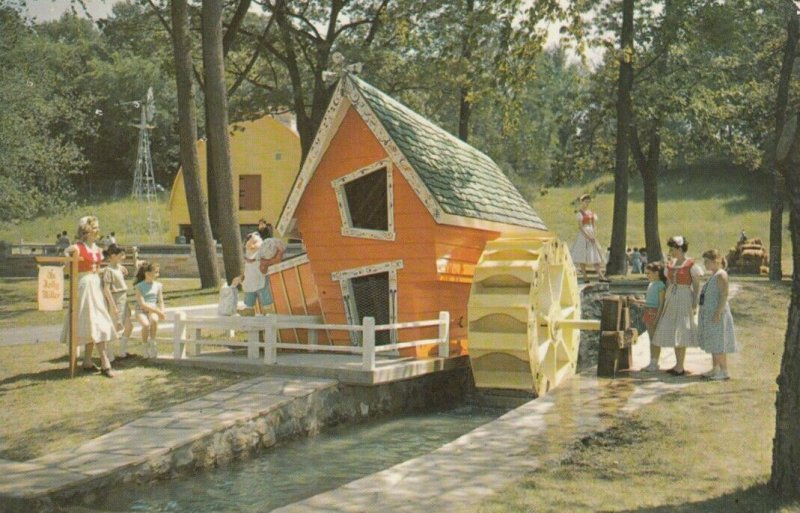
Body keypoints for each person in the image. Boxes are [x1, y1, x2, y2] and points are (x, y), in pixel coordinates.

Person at [60, 216, 117, 377]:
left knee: (96, 320)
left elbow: (97, 269)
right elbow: (66, 269)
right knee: (92, 320)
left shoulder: (97, 249)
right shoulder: (76, 248)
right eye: (94, 227)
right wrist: (70, 262)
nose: (97, 230)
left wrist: (106, 272)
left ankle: (87, 360)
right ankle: (105, 362)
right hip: (84, 286)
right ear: (85, 230)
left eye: (97, 227)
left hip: (95, 285)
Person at [652, 235, 703, 375]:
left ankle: (680, 365)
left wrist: (694, 304)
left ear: (680, 249)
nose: (671, 251)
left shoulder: (691, 265)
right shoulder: (671, 264)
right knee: (674, 329)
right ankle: (677, 364)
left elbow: (696, 286)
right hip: (672, 297)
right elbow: (668, 282)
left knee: (682, 329)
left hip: (684, 296)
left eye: (673, 248)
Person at [698, 249, 738, 380]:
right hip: (710, 312)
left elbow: (724, 295)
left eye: (707, 261)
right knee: (712, 341)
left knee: (718, 342)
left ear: (716, 262)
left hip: (717, 313)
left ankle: (724, 370)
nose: (705, 264)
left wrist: (718, 312)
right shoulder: (714, 275)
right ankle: (715, 368)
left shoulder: (721, 275)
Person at [102, 244, 132, 359]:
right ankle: (109, 355)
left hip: (124, 299)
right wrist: (113, 305)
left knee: (129, 326)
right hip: (116, 299)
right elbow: (106, 289)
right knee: (114, 327)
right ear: (113, 256)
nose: (123, 257)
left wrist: (121, 266)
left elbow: (120, 268)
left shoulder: (118, 267)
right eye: (121, 255)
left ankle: (122, 351)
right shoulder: (108, 270)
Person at [569, 194, 609, 282]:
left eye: (588, 202)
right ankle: (585, 276)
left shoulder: (591, 213)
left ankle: (601, 276)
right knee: (582, 255)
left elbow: (594, 224)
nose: (587, 203)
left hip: (591, 232)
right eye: (585, 202)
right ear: (582, 202)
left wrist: (594, 234)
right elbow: (580, 226)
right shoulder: (580, 213)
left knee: (595, 254)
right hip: (584, 234)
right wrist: (587, 236)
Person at [636, 262, 667, 372]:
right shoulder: (651, 285)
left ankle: (654, 362)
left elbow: (661, 303)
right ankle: (652, 361)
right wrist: (637, 301)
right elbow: (649, 301)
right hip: (648, 311)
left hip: (654, 313)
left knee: (654, 339)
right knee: (651, 339)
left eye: (648, 273)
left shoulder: (660, 285)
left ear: (656, 273)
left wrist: (657, 318)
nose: (647, 275)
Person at [232, 232, 272, 315]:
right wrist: (240, 278)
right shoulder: (247, 258)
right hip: (250, 279)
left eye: (254, 243)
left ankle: (268, 310)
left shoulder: (261, 254)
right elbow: (245, 270)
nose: (251, 246)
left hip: (261, 277)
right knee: (249, 293)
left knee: (264, 293)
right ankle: (249, 309)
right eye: (249, 243)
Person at [134, 261, 165, 359]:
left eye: (157, 272)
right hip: (141, 309)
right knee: (146, 325)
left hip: (153, 308)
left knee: (154, 320)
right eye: (155, 272)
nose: (157, 275)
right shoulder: (139, 286)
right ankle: (144, 346)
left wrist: (162, 311)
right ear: (147, 273)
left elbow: (160, 300)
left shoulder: (158, 285)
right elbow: (142, 304)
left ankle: (153, 342)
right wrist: (158, 312)